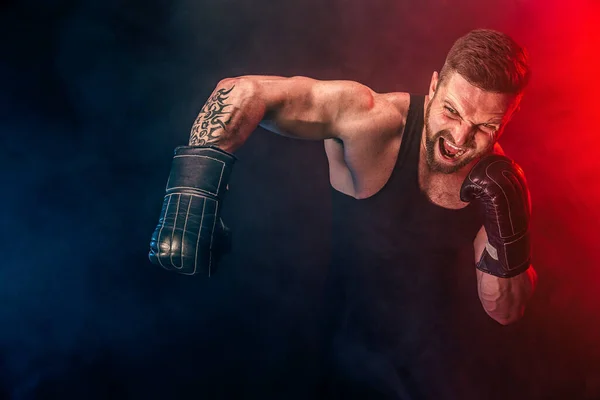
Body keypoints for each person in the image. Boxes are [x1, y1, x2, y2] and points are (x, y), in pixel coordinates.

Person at [149, 29, 538, 398]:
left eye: (484, 127)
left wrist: (511, 231)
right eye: (451, 112)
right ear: (435, 86)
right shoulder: (370, 121)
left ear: (507, 120)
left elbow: (505, 310)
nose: (459, 139)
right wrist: (192, 188)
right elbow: (241, 91)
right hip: (336, 346)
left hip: (437, 370)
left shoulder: (501, 185)